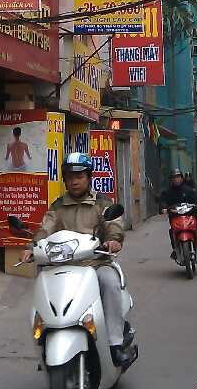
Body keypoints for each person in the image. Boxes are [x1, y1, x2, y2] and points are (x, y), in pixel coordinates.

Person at [21, 152, 131, 368]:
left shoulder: (102, 203)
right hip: (64, 265)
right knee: (43, 283)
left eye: (79, 176)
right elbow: (45, 230)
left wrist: (113, 240)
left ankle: (115, 343)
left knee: (109, 282)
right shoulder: (58, 206)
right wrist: (31, 248)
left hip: (95, 263)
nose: (74, 181)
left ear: (89, 177)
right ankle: (46, 341)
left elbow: (114, 225)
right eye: (70, 177)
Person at [161, 168, 197, 258]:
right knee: (172, 231)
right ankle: (176, 249)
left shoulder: (189, 190)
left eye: (178, 177)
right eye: (174, 177)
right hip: (175, 217)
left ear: (182, 178)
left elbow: (196, 199)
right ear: (171, 179)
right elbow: (163, 201)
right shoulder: (168, 192)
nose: (176, 179)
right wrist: (164, 208)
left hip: (190, 216)